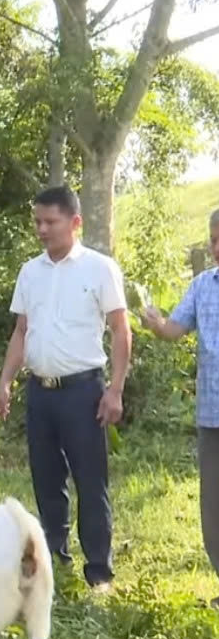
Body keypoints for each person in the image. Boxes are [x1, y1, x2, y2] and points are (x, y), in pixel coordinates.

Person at [0, 185, 131, 593]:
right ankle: (53, 558)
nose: (41, 229)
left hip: (83, 392)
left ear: (75, 222)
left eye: (50, 222)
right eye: (37, 221)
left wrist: (115, 390)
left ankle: (99, 571)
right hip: (40, 393)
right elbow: (21, 331)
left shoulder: (99, 268)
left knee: (90, 480)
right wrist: (4, 382)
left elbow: (121, 330)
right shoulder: (30, 272)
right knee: (46, 479)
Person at [139, 208, 219, 607]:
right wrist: (155, 322)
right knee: (213, 504)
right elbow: (174, 328)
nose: (217, 247)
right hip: (211, 414)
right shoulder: (203, 285)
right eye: (214, 240)